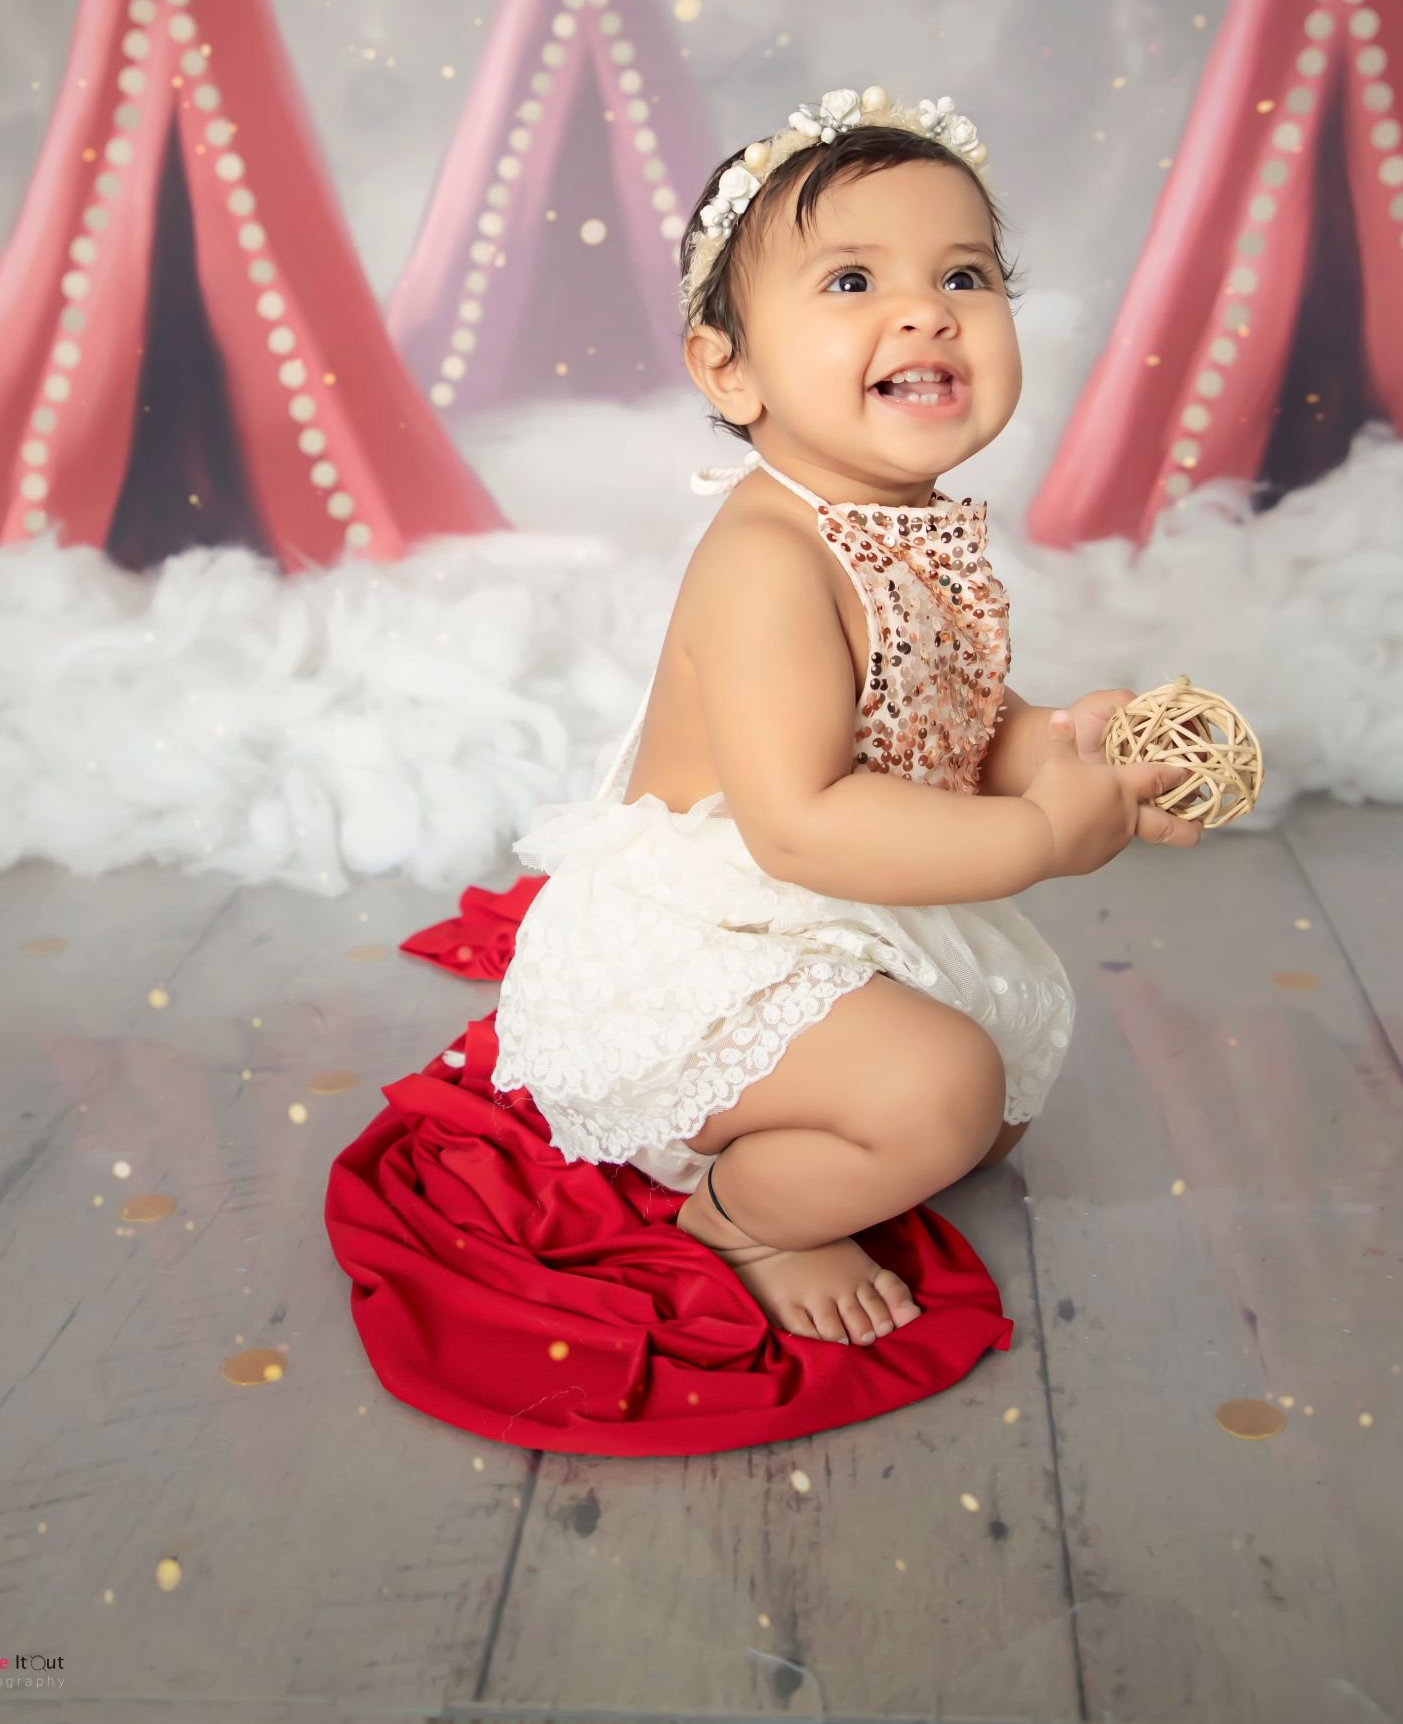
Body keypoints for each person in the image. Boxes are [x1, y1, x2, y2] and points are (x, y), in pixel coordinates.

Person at [490, 86, 1200, 1349]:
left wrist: (1075, 749)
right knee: (943, 1092)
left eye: (964, 275)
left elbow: (946, 723)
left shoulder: (902, 526)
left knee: (990, 1111)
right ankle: (742, 1217)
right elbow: (804, 824)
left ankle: (842, 1124)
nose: (924, 310)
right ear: (729, 368)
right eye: (852, 281)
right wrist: (1040, 835)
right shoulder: (768, 558)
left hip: (824, 905)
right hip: (709, 937)